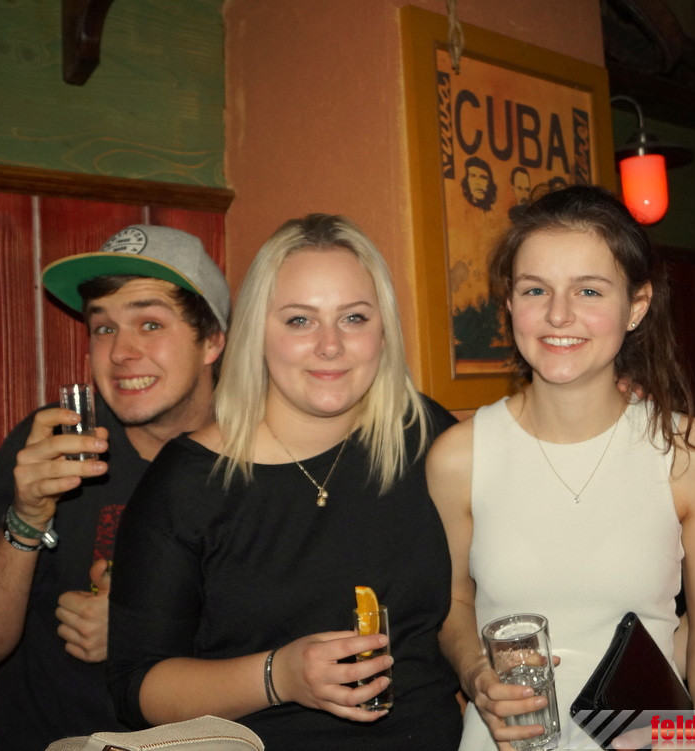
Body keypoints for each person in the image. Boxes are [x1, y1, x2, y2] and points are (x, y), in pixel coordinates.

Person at [107, 213, 463, 750]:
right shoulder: (187, 483)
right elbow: (138, 688)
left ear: (383, 331)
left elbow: (471, 599)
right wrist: (279, 676)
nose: (329, 345)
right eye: (300, 320)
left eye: (354, 318)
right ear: (257, 333)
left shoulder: (425, 436)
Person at [428, 185, 695, 750]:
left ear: (636, 305)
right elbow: (452, 605)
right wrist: (475, 675)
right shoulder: (458, 457)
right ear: (510, 303)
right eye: (535, 289)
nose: (558, 314)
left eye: (588, 290)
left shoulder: (691, 455)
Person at [0, 224, 229, 751]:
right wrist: (27, 518)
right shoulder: (52, 445)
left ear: (212, 339)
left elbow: (301, 643)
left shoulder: (261, 457)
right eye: (103, 328)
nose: (120, 351)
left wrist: (141, 630)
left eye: (150, 323)